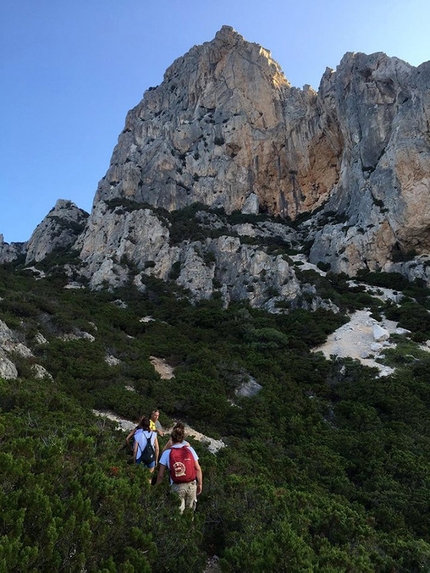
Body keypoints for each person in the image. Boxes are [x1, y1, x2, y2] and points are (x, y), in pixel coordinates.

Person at [156, 424, 202, 514]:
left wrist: (157, 489)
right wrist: (200, 484)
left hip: (177, 486)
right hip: (191, 485)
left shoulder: (167, 453)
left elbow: (161, 475)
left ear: (171, 439)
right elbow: (198, 468)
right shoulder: (190, 450)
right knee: (189, 514)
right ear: (182, 439)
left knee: (178, 514)